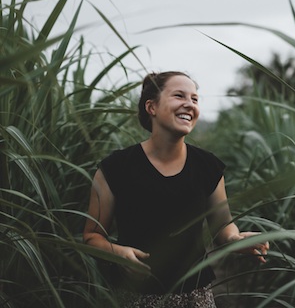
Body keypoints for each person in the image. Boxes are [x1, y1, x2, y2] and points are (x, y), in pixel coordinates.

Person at [83, 71, 269, 308]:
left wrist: (235, 238)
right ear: (152, 107)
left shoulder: (207, 166)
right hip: (135, 297)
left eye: (194, 99)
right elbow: (91, 237)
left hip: (196, 296)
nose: (189, 104)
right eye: (179, 95)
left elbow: (222, 225)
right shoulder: (115, 168)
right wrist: (117, 253)